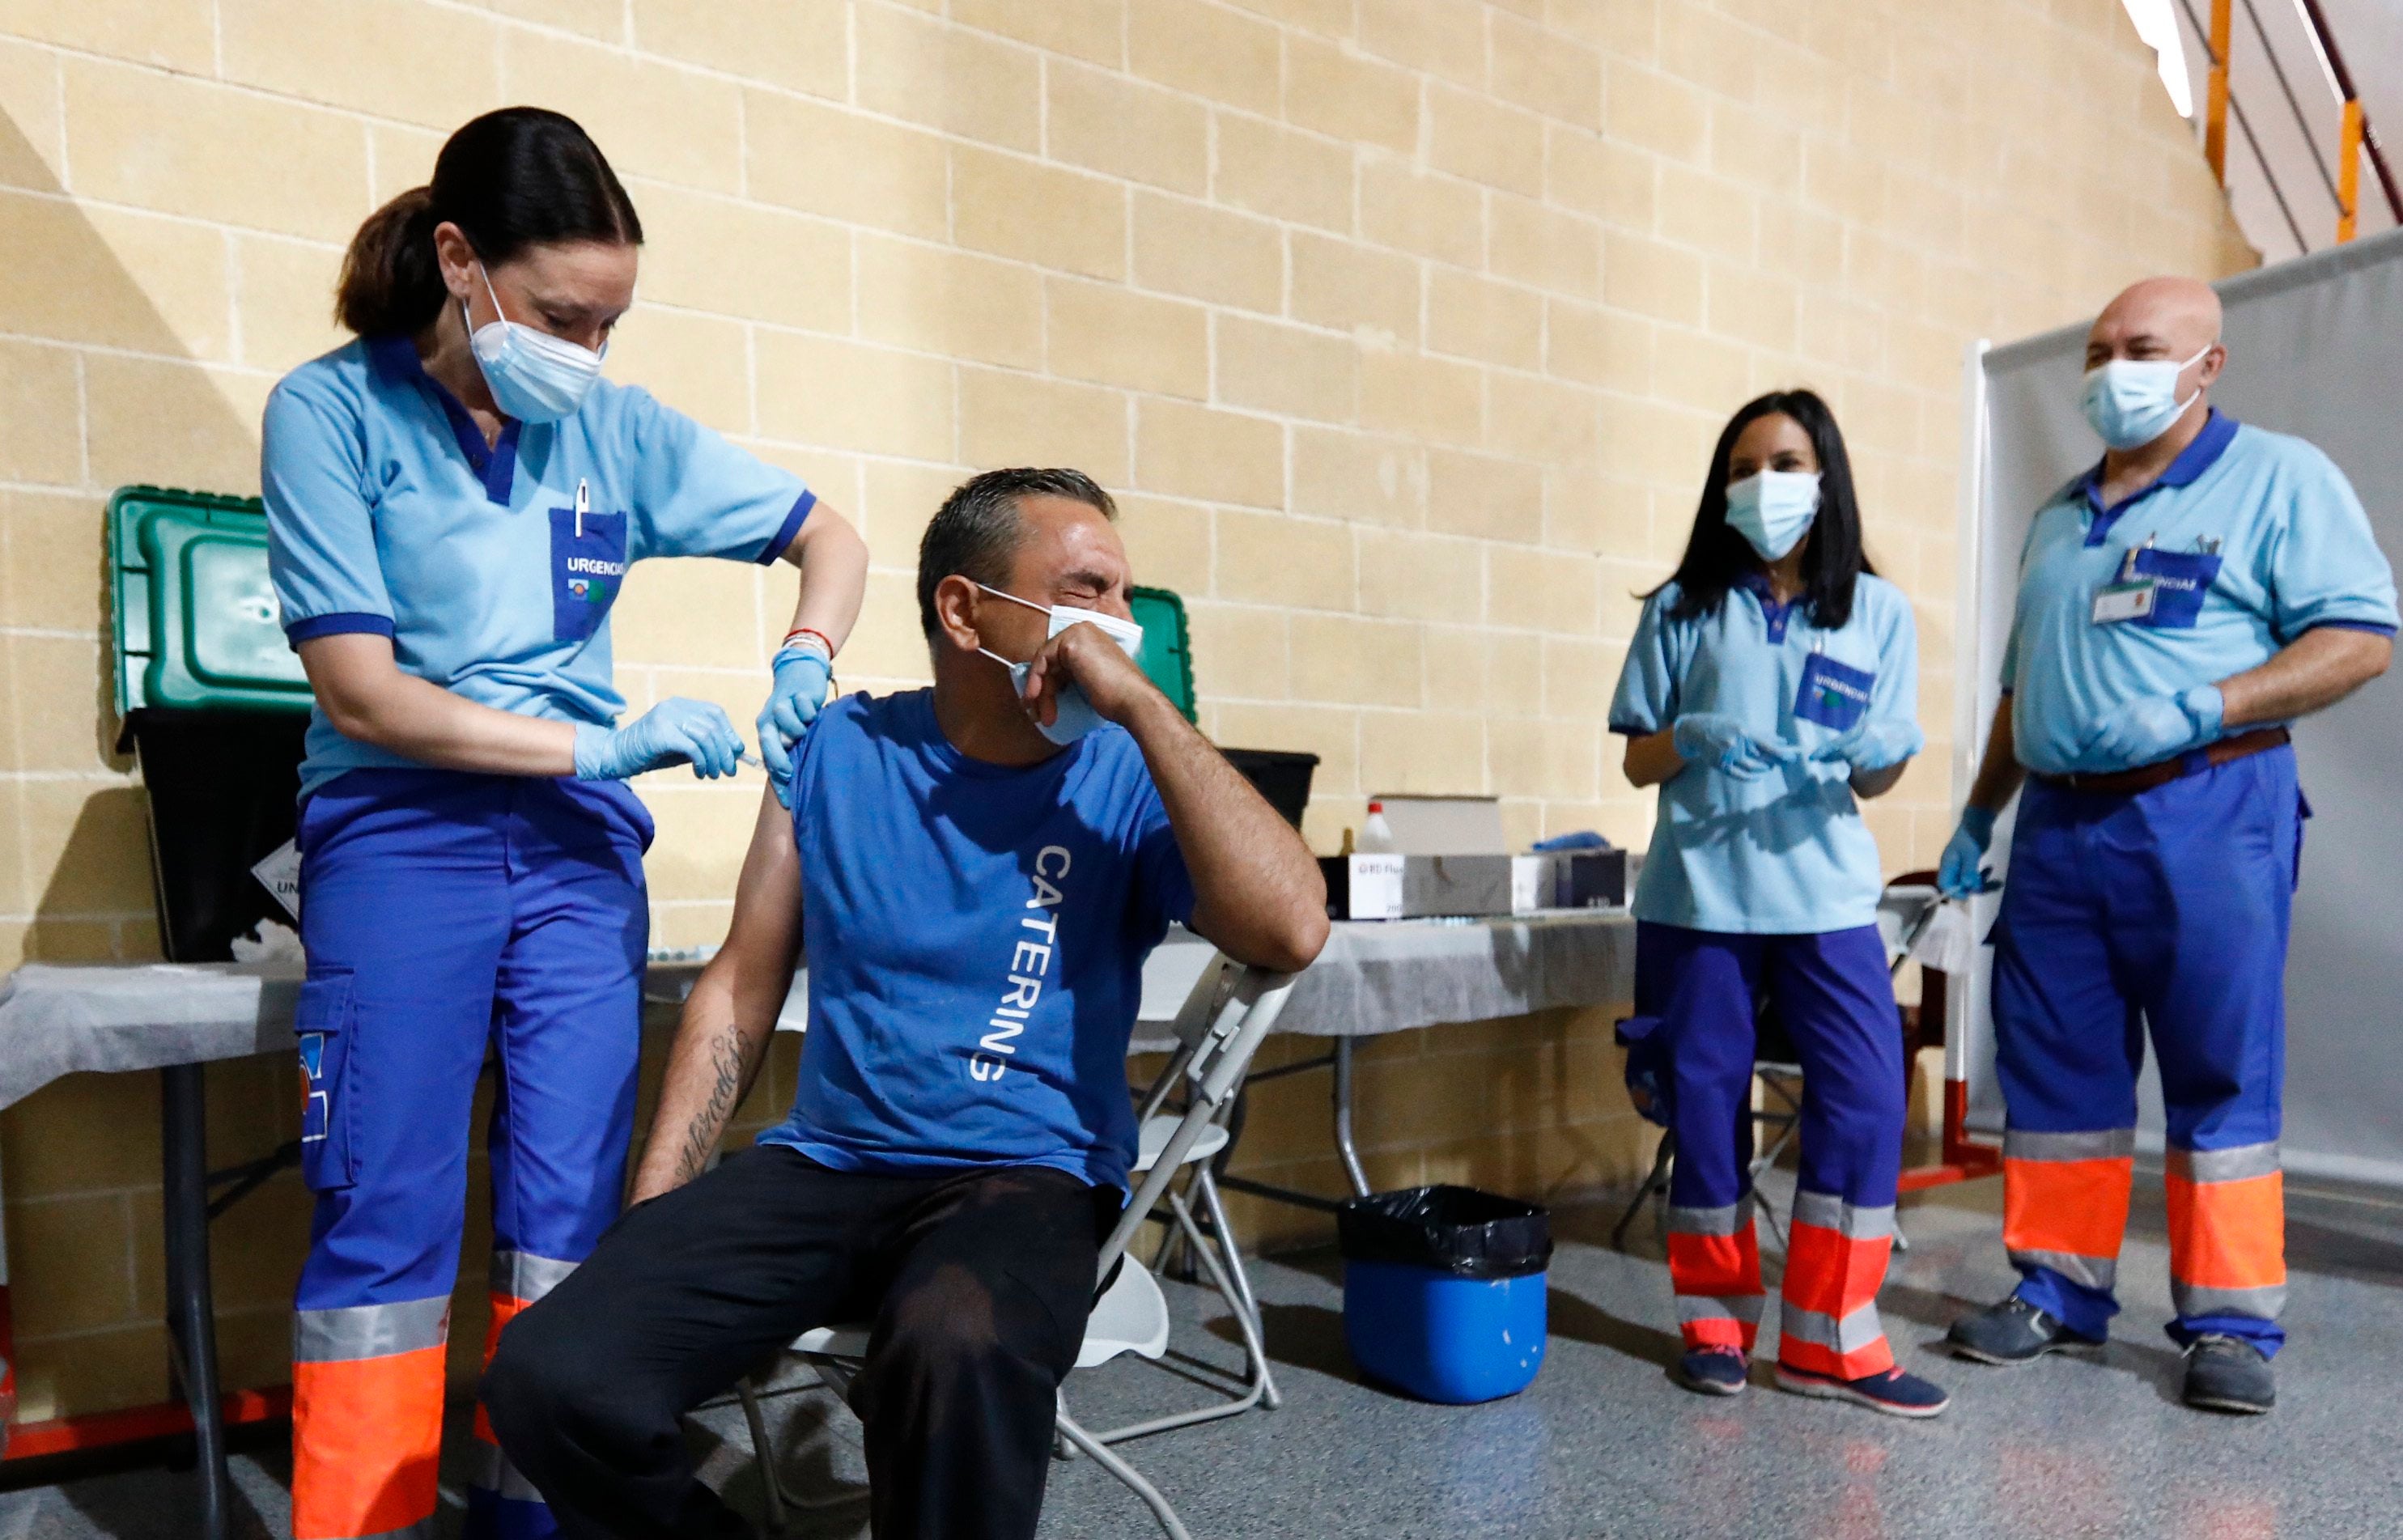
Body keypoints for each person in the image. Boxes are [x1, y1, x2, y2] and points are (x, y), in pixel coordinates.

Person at [479, 468, 1329, 1539]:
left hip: (1028, 1172)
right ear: (964, 609)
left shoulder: (1125, 771)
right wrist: (657, 1205)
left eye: (1124, 594)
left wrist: (1139, 702)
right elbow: (743, 980)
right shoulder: (839, 750)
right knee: (552, 1374)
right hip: (828, 1162)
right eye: (1087, 588)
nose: (1116, 621)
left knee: (954, 1340)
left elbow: (1291, 928)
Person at [264, 108, 869, 1540]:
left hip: (574, 858)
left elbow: (826, 535)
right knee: (384, 1211)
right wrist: (600, 736)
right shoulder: (330, 411)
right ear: (461, 261)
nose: (587, 354)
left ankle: (537, 1515)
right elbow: (361, 691)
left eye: (610, 322)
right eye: (561, 316)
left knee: (567, 1210)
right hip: (398, 830)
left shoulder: (611, 425)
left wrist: (805, 652)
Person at [1938, 277, 2394, 1415]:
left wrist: (2212, 702)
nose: (2111, 369)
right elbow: (2019, 684)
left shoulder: (2279, 478)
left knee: (2219, 1068)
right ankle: (2058, 1286)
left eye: (2141, 347)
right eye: (2097, 349)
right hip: (2056, 826)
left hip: (2206, 807)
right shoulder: (2057, 513)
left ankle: (2231, 1322)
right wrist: (1976, 810)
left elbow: (2360, 637)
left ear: (2208, 364)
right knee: (2054, 1071)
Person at [1608, 389, 1947, 1418]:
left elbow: (1878, 774)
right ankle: (1713, 1320)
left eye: (1786, 462)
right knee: (1705, 1104)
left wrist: (1876, 754)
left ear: (1825, 475)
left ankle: (1828, 1335)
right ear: (1721, 488)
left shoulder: (1876, 613)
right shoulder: (1678, 607)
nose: (1764, 485)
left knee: (1862, 1097)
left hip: (1825, 897)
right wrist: (1695, 734)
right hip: (1699, 894)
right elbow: (1637, 758)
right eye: (1743, 466)